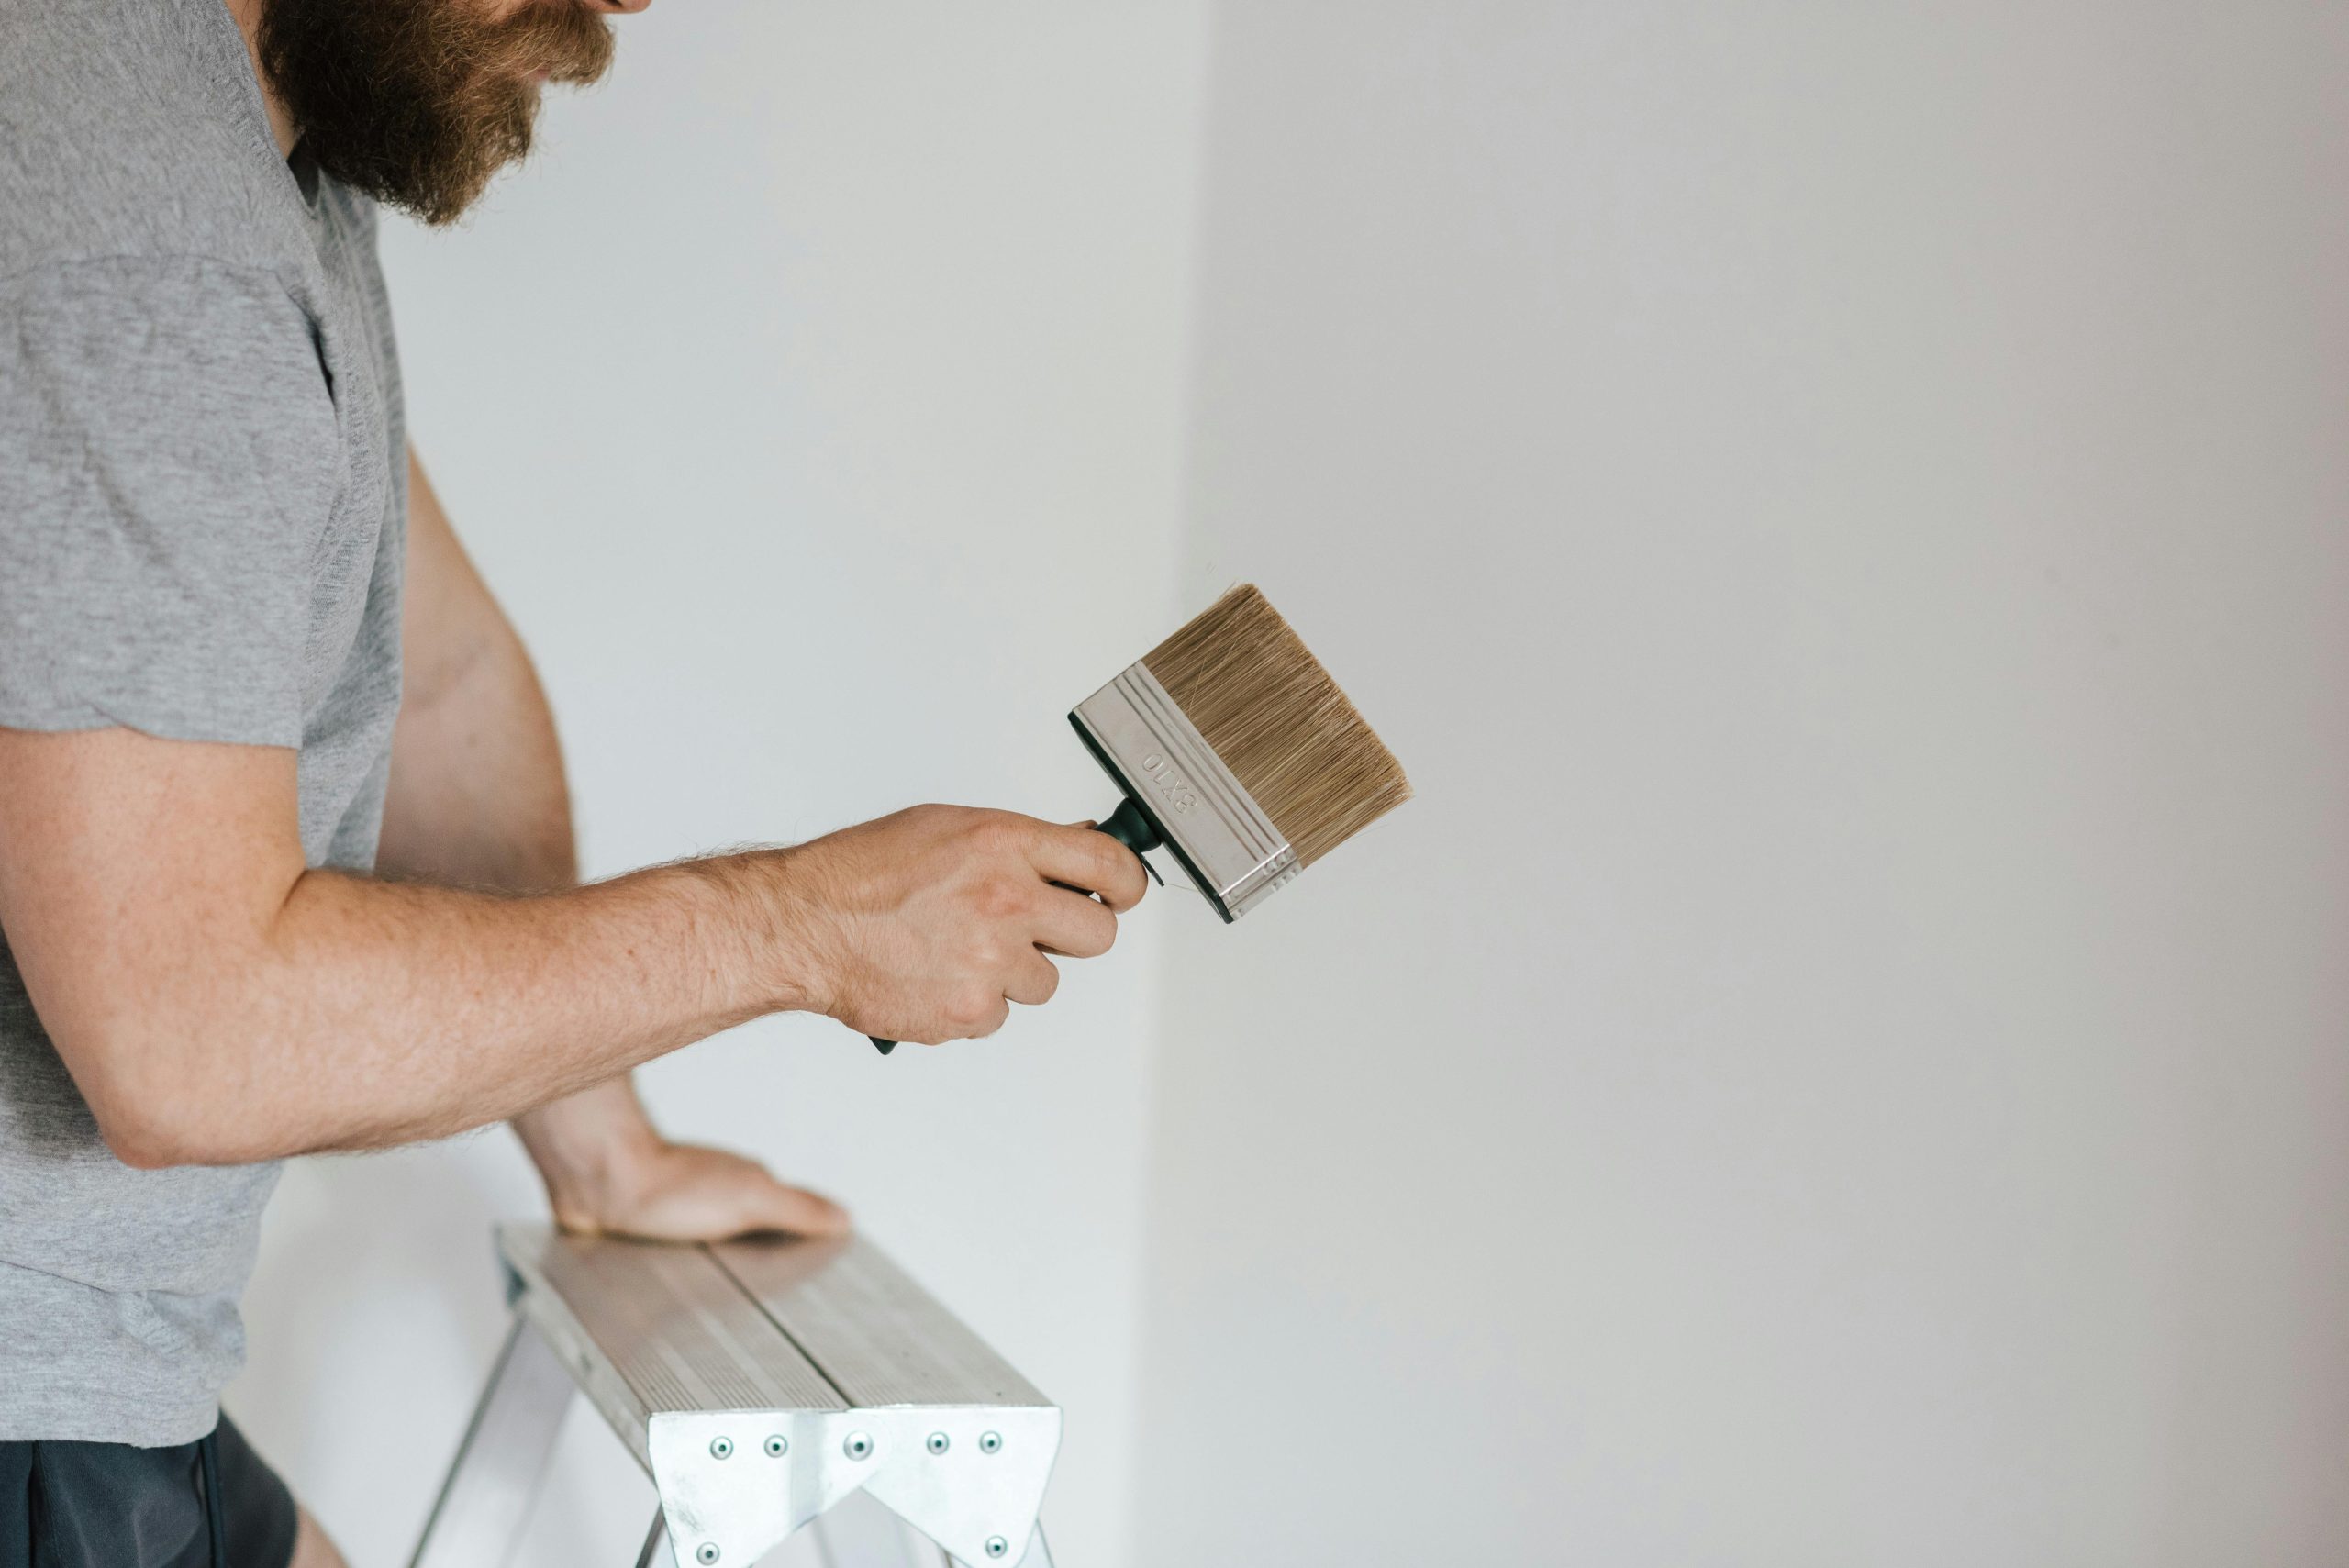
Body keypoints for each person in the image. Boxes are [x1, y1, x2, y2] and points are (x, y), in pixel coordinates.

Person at [0, 0, 1150, 1562]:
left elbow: (436, 679)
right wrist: (795, 930)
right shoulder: (146, 243)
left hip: (83, 1361)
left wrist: (600, 1142)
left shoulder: (251, 146)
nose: (622, 5)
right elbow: (188, 1036)